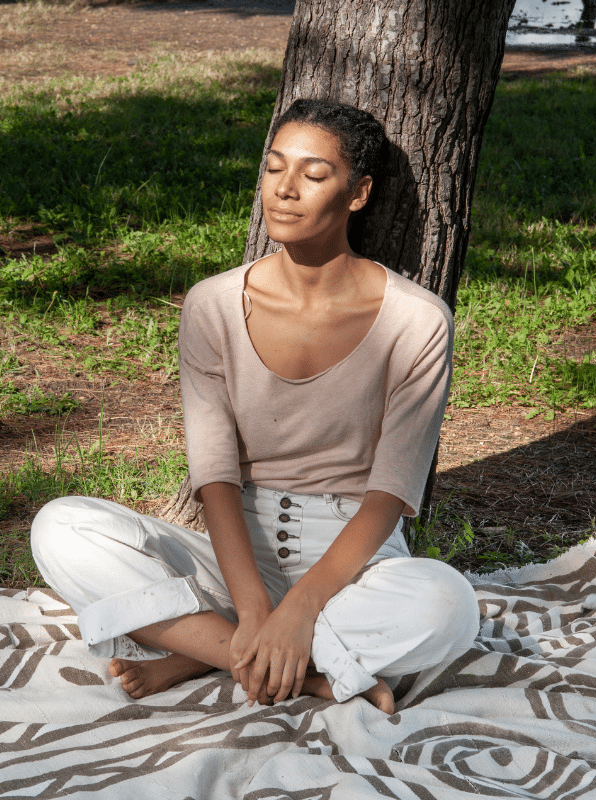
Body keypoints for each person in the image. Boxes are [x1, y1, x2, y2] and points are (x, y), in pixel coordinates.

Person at [31, 99, 480, 715]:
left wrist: (299, 609)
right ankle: (305, 670)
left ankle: (204, 653)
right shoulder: (212, 303)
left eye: (314, 175)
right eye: (273, 169)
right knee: (62, 527)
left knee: (447, 604)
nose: (285, 190)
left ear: (358, 193)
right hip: (235, 547)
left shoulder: (417, 319)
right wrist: (255, 609)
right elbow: (213, 475)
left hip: (355, 562)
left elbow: (391, 493)